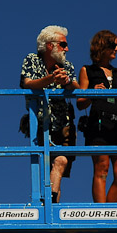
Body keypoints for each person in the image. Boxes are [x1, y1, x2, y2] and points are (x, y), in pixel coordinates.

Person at [20, 25, 80, 203]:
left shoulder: (66, 65)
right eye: (63, 44)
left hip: (62, 124)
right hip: (39, 121)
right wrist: (52, 79)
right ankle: (50, 203)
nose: (67, 49)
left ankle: (51, 203)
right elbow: (28, 83)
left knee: (60, 163)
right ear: (49, 45)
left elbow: (78, 90)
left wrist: (67, 81)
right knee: (51, 166)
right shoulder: (32, 60)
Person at [76, 30, 117, 203]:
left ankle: (109, 210)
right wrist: (93, 93)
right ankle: (101, 213)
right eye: (113, 45)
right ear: (103, 46)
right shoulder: (87, 70)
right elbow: (80, 103)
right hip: (98, 125)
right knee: (102, 168)